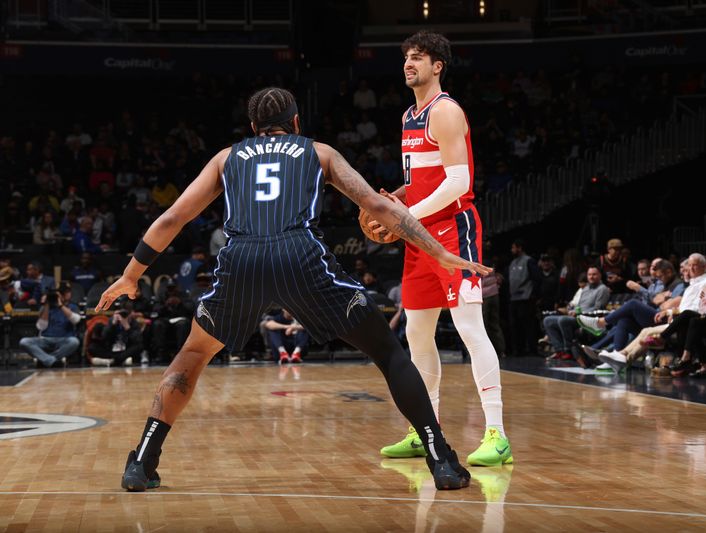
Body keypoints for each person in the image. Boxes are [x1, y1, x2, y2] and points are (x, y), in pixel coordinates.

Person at [98, 86, 486, 493]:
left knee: (191, 357)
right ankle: (440, 459)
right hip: (300, 257)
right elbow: (381, 206)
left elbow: (173, 217)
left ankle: (142, 462)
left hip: (242, 259)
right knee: (388, 352)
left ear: (252, 127)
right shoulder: (319, 152)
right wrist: (439, 251)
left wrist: (131, 273)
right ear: (296, 122)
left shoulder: (227, 158)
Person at [368, 31, 512, 467]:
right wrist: (391, 202)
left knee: (470, 329)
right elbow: (419, 182)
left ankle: (497, 435)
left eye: (419, 58)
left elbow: (459, 183)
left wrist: (404, 217)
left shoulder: (445, 111)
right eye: (406, 57)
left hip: (454, 230)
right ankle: (423, 428)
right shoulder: (411, 115)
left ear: (438, 67)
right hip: (420, 237)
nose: (409, 63)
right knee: (416, 333)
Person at [19, 283, 81, 367]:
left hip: (63, 340)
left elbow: (76, 320)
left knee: (74, 342)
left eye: (68, 292)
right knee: (24, 342)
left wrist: (60, 305)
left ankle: (45, 360)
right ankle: (52, 361)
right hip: (45, 339)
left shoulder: (73, 306)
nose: (68, 294)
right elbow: (41, 326)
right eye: (64, 292)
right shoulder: (45, 307)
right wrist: (47, 304)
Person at [507, 239, 539, 357]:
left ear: (520, 248)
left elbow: (536, 278)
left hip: (526, 298)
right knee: (515, 326)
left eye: (514, 248)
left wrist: (533, 295)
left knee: (528, 325)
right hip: (514, 299)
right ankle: (518, 350)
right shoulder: (512, 263)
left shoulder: (529, 261)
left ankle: (531, 349)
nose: (512, 250)